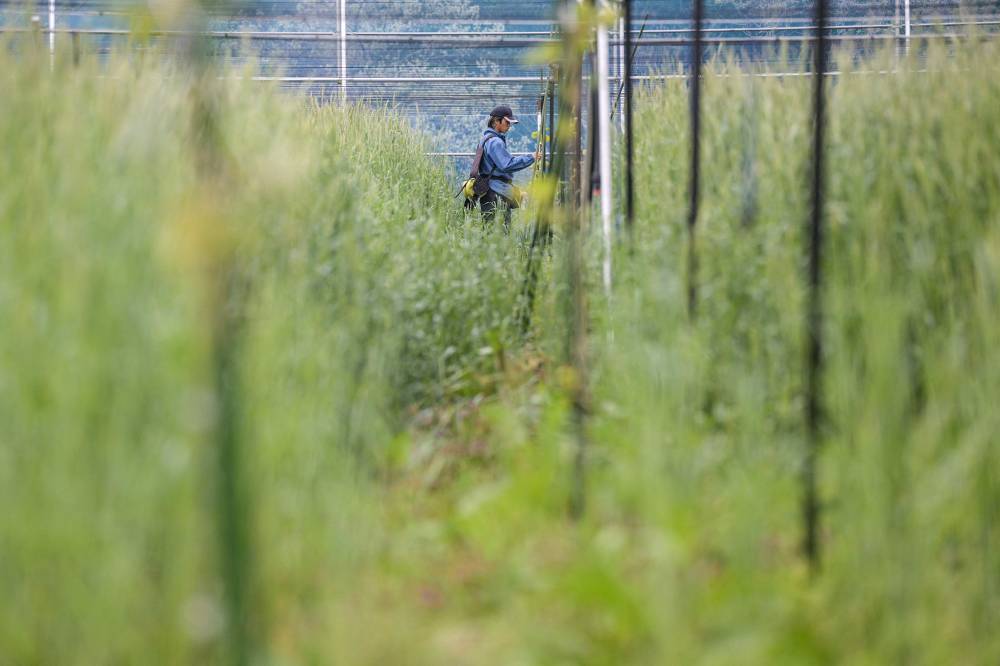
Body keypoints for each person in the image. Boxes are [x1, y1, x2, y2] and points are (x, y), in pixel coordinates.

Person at [476, 105, 542, 231]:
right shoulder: (495, 142)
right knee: (503, 233)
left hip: (487, 191)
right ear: (496, 121)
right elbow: (507, 164)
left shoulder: (485, 139)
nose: (509, 126)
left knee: (489, 232)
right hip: (497, 193)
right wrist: (531, 157)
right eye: (507, 122)